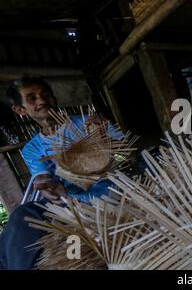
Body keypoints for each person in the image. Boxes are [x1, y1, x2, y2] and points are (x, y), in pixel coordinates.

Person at [0, 76, 122, 270]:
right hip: (68, 204)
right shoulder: (32, 148)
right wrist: (49, 188)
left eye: (46, 95)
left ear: (54, 98)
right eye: (32, 98)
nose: (41, 101)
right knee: (14, 230)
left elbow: (124, 151)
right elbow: (43, 178)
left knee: (22, 215)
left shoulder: (87, 122)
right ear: (20, 109)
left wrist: (103, 135)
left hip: (106, 193)